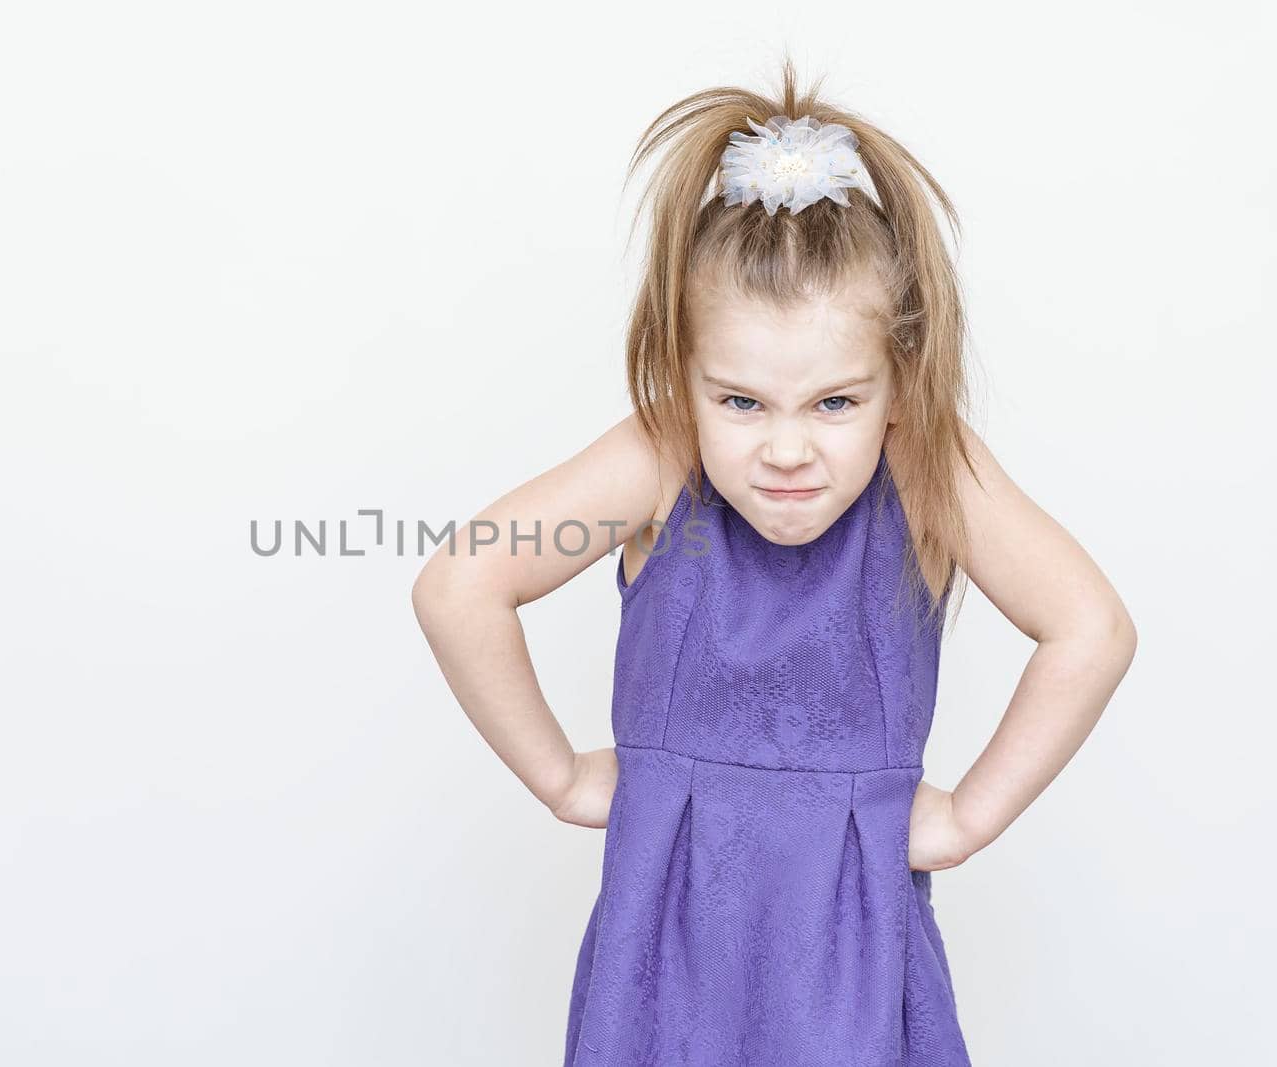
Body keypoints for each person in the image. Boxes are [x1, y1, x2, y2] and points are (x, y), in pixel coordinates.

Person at [410, 58, 1137, 1066]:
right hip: (666, 947)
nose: (786, 447)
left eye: (835, 401)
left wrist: (968, 816)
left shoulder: (929, 467)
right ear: (680, 373)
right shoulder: (658, 461)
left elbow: (1089, 628)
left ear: (899, 380)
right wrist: (561, 777)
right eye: (739, 401)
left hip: (847, 943)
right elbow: (460, 581)